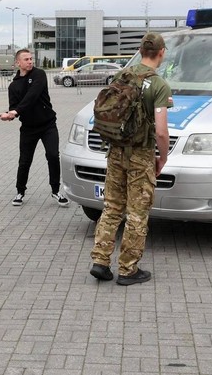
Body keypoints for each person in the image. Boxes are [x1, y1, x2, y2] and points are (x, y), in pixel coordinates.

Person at [89, 33, 171, 286]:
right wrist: (163, 157)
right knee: (137, 212)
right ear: (162, 52)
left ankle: (100, 262)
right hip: (140, 155)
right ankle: (128, 269)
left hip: (115, 151)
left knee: (112, 207)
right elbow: (160, 130)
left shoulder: (121, 76)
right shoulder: (159, 85)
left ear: (139, 50)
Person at [0, 49, 69, 207]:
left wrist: (16, 111)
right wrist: (10, 115)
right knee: (24, 161)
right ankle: (20, 191)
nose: (30, 61)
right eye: (26, 59)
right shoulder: (13, 86)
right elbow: (14, 108)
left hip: (48, 124)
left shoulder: (39, 74)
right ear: (18, 63)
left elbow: (33, 95)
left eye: (31, 59)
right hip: (28, 128)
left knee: (52, 155)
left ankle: (56, 191)